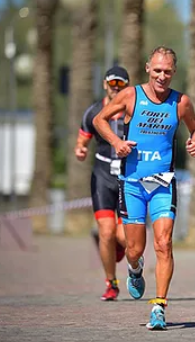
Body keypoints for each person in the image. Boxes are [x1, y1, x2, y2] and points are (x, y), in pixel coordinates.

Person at [93, 46, 195, 331]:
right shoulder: (131, 96)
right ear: (147, 69)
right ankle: (134, 268)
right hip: (131, 184)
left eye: (167, 71)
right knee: (134, 249)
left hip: (163, 183)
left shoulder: (181, 102)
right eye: (157, 70)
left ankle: (159, 307)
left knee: (164, 243)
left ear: (174, 72)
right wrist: (117, 143)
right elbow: (99, 120)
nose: (162, 76)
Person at [75, 66, 130, 301]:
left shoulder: (133, 111)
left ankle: (118, 250)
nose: (115, 88)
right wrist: (80, 150)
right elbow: (82, 140)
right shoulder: (94, 112)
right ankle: (111, 283)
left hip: (127, 176)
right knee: (106, 233)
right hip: (102, 175)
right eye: (112, 84)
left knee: (123, 238)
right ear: (104, 85)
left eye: (121, 84)